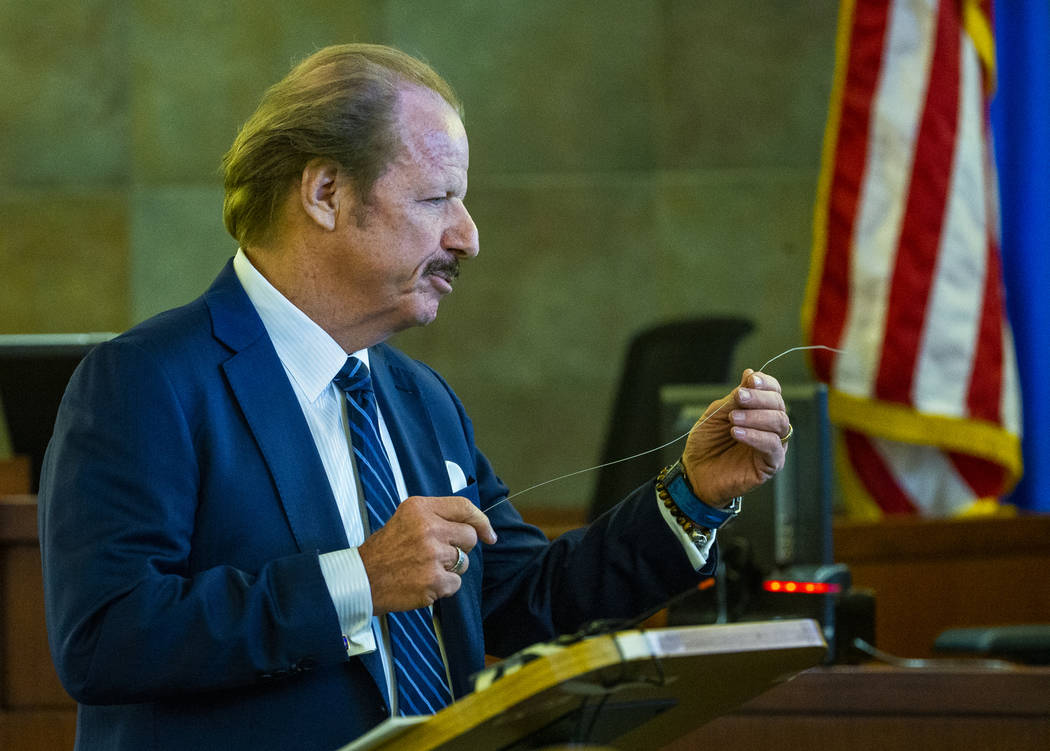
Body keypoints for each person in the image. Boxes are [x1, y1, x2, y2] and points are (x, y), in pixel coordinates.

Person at [38, 43, 791, 751]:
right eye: (438, 199)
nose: (468, 236)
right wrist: (357, 581)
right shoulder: (144, 381)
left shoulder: (421, 397)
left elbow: (528, 597)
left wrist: (692, 498)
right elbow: (105, 638)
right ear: (327, 192)